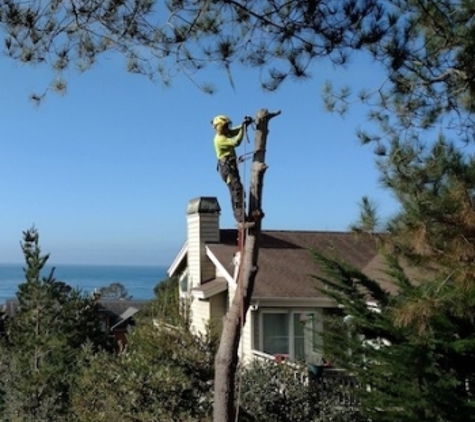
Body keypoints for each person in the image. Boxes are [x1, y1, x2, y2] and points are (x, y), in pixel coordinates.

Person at [212, 114, 253, 226]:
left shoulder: (224, 134)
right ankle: (241, 219)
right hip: (227, 168)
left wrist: (244, 125)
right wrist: (243, 129)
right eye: (225, 126)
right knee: (236, 191)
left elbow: (234, 131)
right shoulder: (220, 139)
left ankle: (242, 216)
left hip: (230, 167)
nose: (227, 128)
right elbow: (236, 142)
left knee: (238, 189)